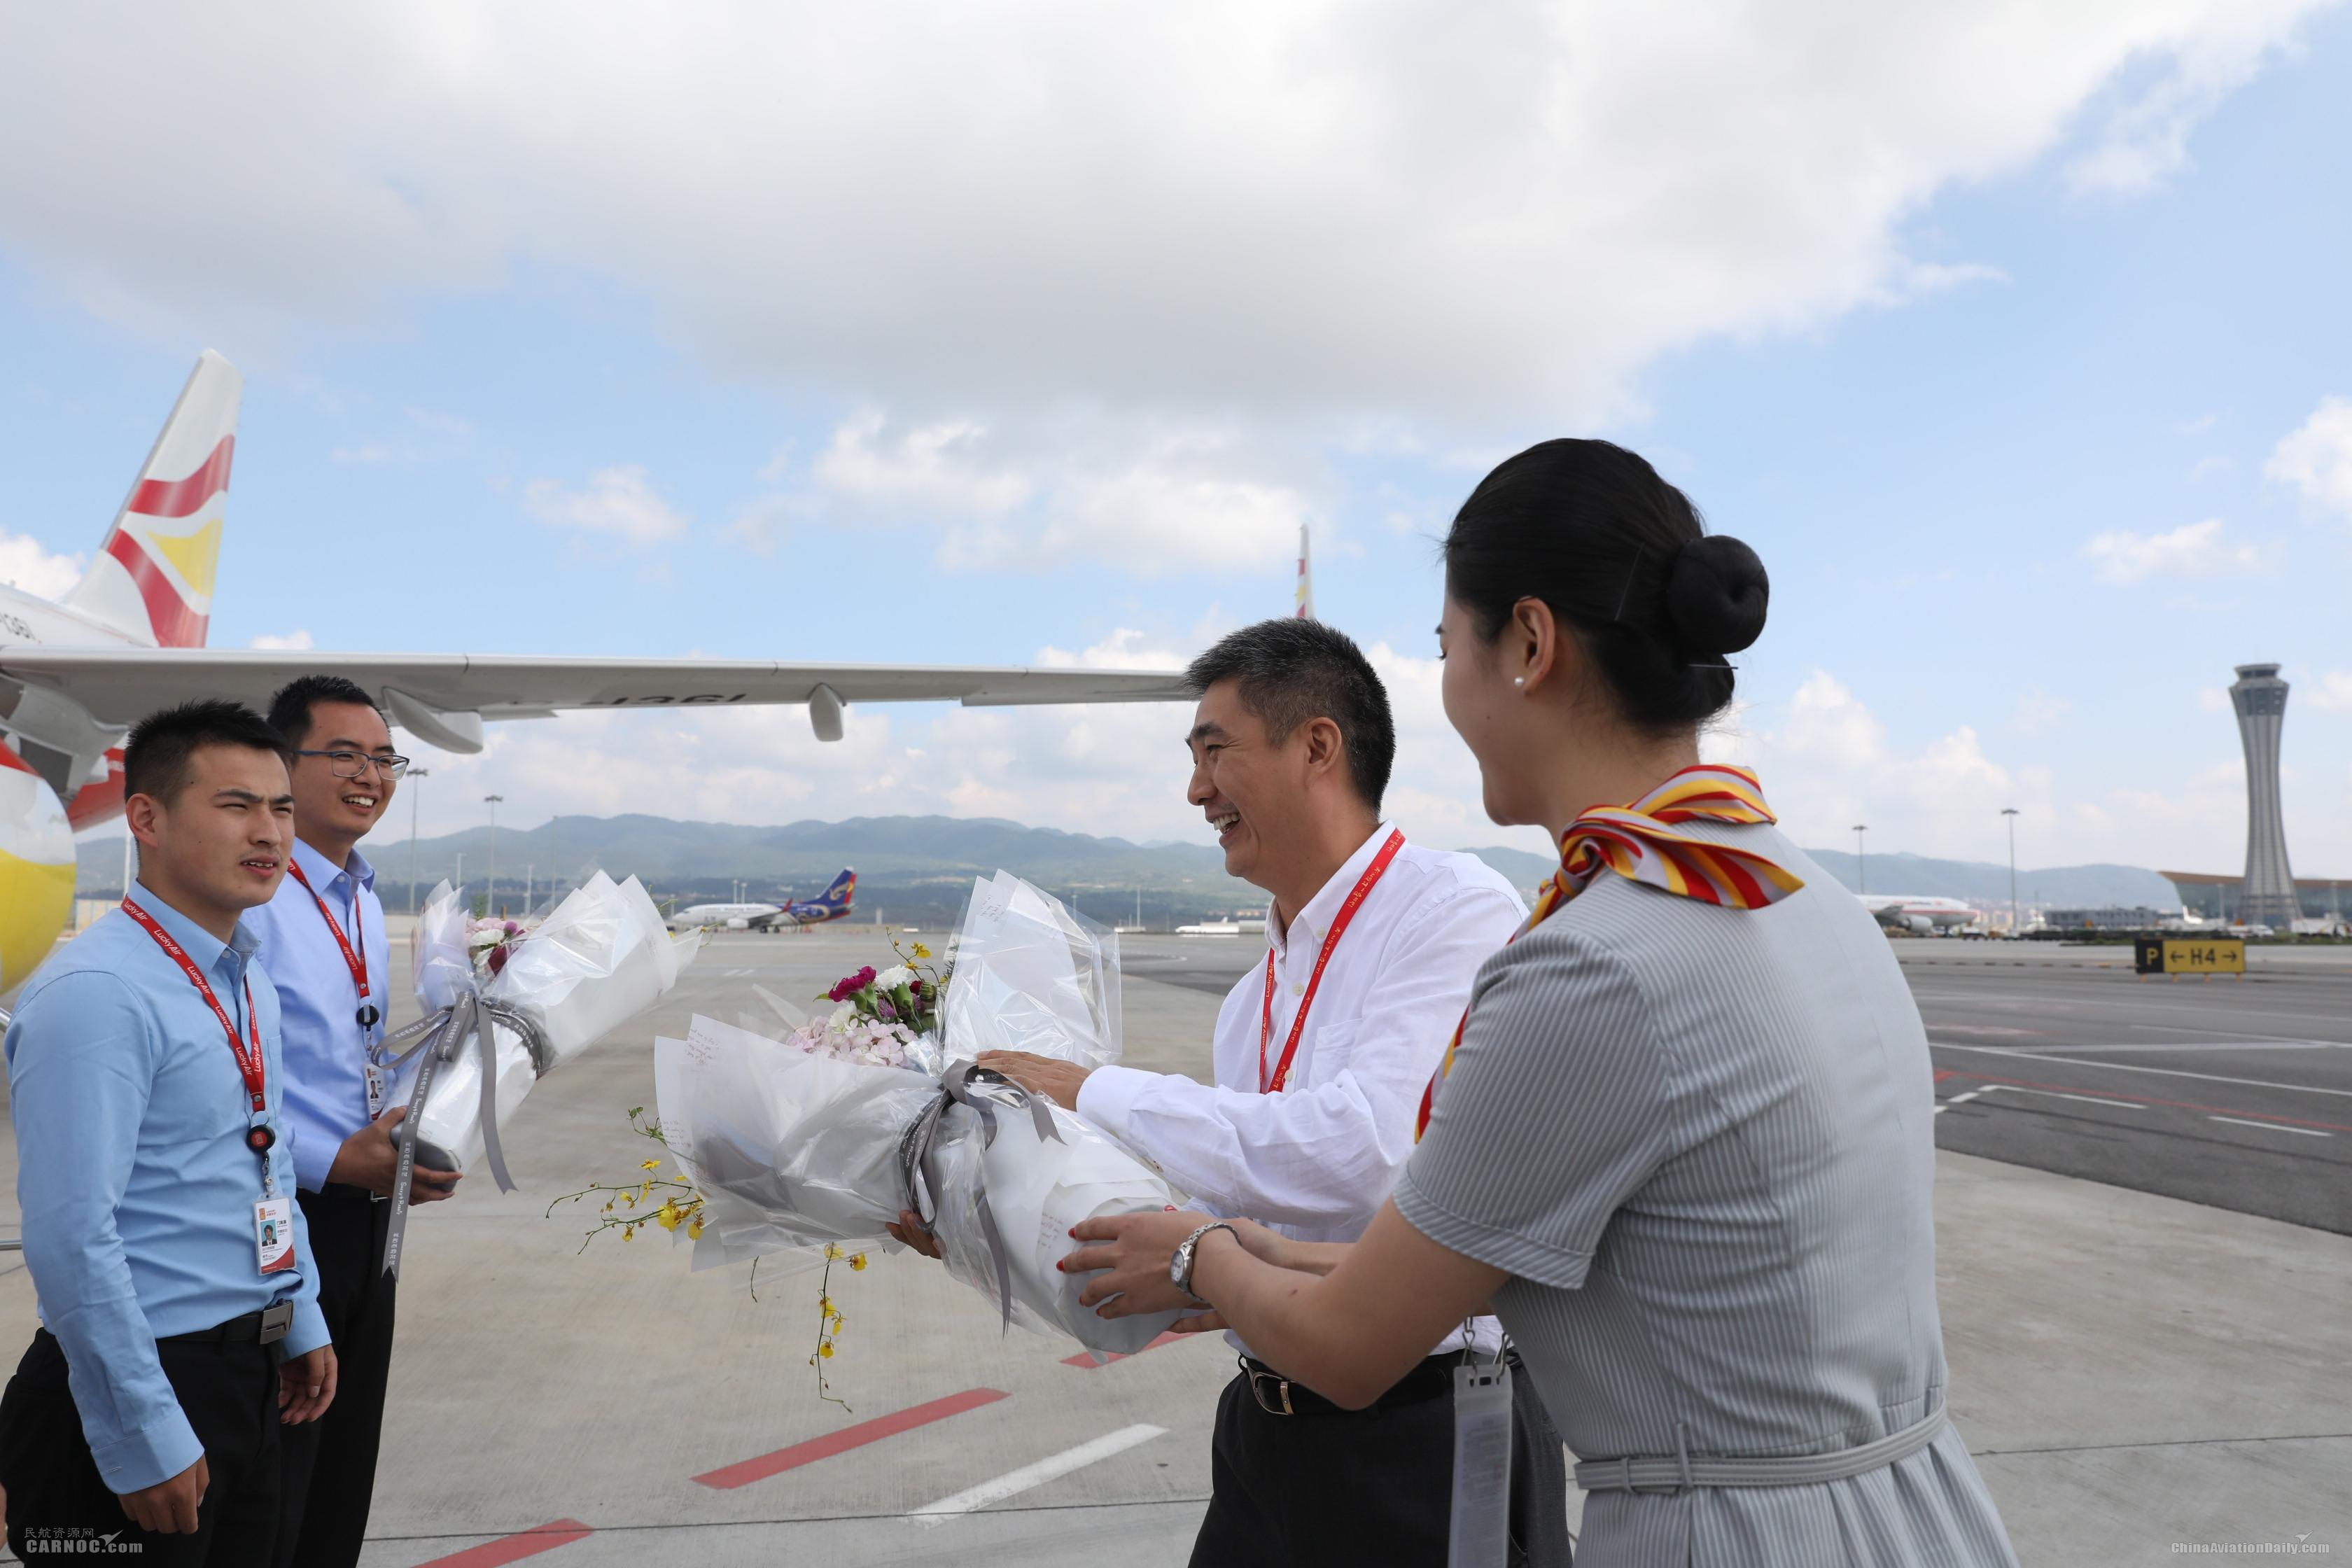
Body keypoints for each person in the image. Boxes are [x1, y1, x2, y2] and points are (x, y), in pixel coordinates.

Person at [1064, 440, 2022, 1567]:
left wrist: (1199, 1258)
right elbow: (1492, 1262)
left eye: (1445, 648)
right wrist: (1248, 1249)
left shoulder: (1598, 960)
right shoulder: (1795, 894)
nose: (1446, 693)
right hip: (1912, 1514)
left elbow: (1353, 1345)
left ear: (1527, 643)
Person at [903, 617, 1575, 1566]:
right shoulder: (1250, 1000)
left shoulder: (1450, 910)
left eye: (1215, 752)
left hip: (1426, 1431)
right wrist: (980, 1214)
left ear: (1317, 746)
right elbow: (1215, 1230)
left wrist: (1088, 1088)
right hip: (1268, 1429)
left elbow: (1367, 1153)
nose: (1195, 790)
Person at [0, 699, 338, 1563]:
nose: (270, 831)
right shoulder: (98, 993)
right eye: (236, 804)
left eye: (282, 806)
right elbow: (73, 1237)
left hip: (247, 1374)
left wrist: (297, 1315)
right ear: (144, 817)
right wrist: (141, 1430)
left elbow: (262, 1163)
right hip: (139, 1380)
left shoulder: (242, 974)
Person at [245, 675, 461, 1567]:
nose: (369, 774)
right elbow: (234, 1074)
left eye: (384, 758)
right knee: (278, 1468)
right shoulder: (256, 895)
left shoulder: (363, 897)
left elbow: (350, 1055)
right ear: (283, 765)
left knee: (343, 1467)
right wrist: (338, 1158)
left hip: (369, 1204)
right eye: (344, 754)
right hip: (282, 1211)